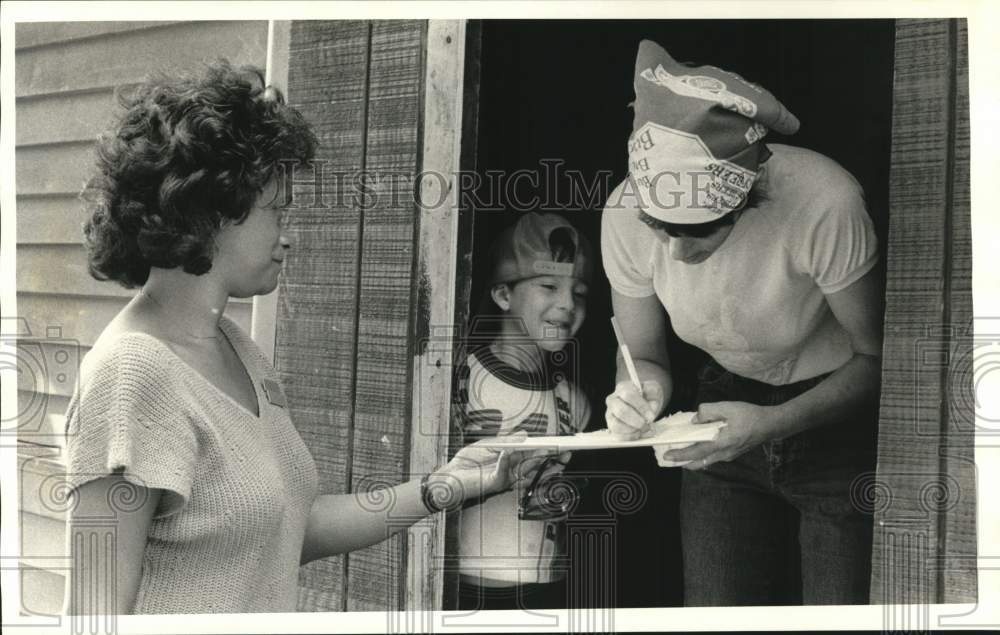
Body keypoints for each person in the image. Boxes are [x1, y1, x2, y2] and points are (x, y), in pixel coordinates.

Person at [63, 61, 528, 615]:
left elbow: (288, 529)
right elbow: (92, 614)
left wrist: (446, 485)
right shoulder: (129, 376)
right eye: (276, 212)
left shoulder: (236, 347)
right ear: (211, 212)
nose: (288, 237)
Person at [602, 41, 883, 606]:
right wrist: (637, 393)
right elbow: (643, 355)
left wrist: (773, 423)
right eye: (659, 226)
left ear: (748, 196)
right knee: (715, 608)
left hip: (833, 414)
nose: (677, 254)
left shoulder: (823, 201)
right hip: (720, 413)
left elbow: (879, 359)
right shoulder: (622, 212)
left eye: (699, 231)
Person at [455, 213, 593, 610]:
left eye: (579, 292)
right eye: (548, 286)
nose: (567, 304)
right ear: (503, 295)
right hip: (459, 586)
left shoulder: (575, 403)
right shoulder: (459, 380)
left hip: (544, 589)